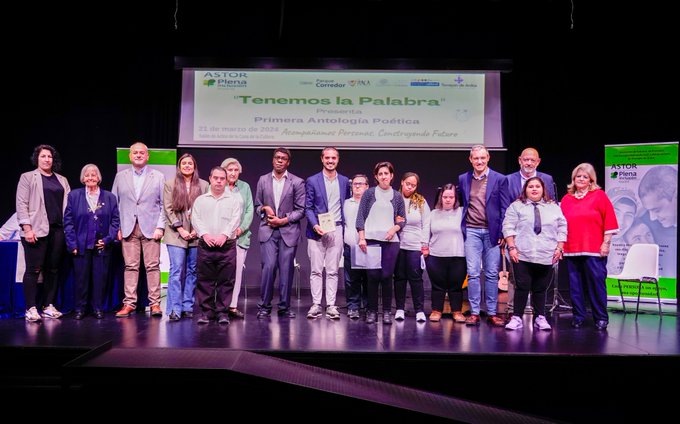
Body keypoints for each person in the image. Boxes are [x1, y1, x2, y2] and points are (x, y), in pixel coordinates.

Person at [503, 177, 567, 331]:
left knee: (540, 287)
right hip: (522, 253)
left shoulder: (553, 207)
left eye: (537, 186)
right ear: (525, 189)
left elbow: (562, 227)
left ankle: (540, 317)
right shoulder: (516, 206)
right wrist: (512, 248)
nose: (534, 189)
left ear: (543, 189)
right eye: (530, 186)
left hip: (546, 253)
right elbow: (508, 227)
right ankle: (517, 317)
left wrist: (559, 248)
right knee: (522, 286)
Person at [16, 144, 71, 322]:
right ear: (37, 158)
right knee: (33, 269)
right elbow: (21, 204)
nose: (47, 159)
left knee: (53, 270)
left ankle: (48, 305)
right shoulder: (27, 177)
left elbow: (68, 206)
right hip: (36, 230)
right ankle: (31, 308)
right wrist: (27, 228)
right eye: (43, 156)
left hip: (58, 230)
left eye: (49, 157)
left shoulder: (62, 180)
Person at [560, 163, 618, 330]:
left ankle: (601, 317)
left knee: (596, 284)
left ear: (591, 179)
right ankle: (578, 316)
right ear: (574, 179)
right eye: (578, 176)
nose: (581, 179)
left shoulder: (599, 196)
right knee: (575, 286)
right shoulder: (566, 199)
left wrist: (606, 243)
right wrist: (560, 246)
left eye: (585, 177)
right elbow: (560, 224)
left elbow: (610, 221)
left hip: (595, 250)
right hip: (572, 249)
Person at [458, 145, 510, 326]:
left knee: (491, 273)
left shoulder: (499, 179)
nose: (479, 161)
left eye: (482, 158)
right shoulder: (463, 179)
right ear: (470, 159)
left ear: (488, 158)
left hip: (492, 232)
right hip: (471, 230)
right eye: (475, 158)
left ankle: (492, 312)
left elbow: (505, 207)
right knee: (472, 273)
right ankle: (474, 312)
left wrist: (503, 231)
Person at [112, 142, 166, 318]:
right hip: (128, 228)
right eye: (135, 152)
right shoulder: (120, 177)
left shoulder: (158, 176)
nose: (138, 155)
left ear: (148, 156)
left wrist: (160, 226)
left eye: (142, 152)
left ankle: (155, 303)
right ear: (129, 156)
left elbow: (164, 205)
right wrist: (117, 227)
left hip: (151, 228)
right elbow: (115, 204)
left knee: (152, 266)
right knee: (130, 266)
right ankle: (129, 304)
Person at [254, 147, 306, 318]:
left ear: (288, 162)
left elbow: (301, 210)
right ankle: (264, 306)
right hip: (268, 231)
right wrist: (264, 209)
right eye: (277, 157)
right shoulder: (263, 180)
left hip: (288, 232)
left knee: (286, 270)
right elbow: (257, 206)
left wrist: (283, 220)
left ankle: (284, 307)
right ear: (273, 160)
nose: (280, 160)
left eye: (283, 158)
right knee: (268, 268)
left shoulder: (297, 182)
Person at [64, 164, 120, 319]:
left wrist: (108, 239)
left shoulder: (109, 197)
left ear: (98, 178)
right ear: (83, 178)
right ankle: (80, 309)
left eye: (93, 175)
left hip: (102, 246)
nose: (90, 178)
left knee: (99, 279)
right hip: (80, 246)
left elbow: (115, 221)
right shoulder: (74, 196)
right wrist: (72, 243)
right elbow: (68, 222)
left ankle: (98, 308)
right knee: (81, 279)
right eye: (87, 175)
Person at [505, 147, 556, 317]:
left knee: (539, 281)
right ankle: (514, 312)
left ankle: (538, 314)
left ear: (538, 162)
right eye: (525, 159)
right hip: (517, 238)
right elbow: (503, 208)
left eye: (532, 160)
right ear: (520, 160)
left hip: (542, 242)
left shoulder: (547, 179)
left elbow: (552, 208)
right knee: (516, 277)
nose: (528, 162)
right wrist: (507, 237)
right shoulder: (508, 179)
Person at [356, 161, 406, 325]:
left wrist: (394, 228)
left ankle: (386, 312)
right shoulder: (369, 194)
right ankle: (371, 311)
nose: (384, 176)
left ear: (392, 176)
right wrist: (362, 237)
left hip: (391, 242)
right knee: (372, 276)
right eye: (380, 174)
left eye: (387, 173)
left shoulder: (397, 196)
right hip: (371, 240)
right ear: (376, 177)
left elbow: (402, 219)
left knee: (386, 276)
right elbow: (360, 217)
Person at [191, 166, 242, 324]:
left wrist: (224, 234)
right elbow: (196, 218)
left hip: (226, 246)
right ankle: (206, 313)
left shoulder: (233, 200)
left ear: (226, 181)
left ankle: (222, 313)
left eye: (222, 179)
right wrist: (204, 233)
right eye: (216, 178)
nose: (219, 181)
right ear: (210, 178)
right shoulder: (201, 200)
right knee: (205, 280)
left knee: (226, 281)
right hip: (206, 245)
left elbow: (235, 219)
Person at [305, 147, 350, 320]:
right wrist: (315, 225)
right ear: (322, 159)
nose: (330, 161)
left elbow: (346, 204)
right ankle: (316, 304)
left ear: (337, 160)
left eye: (333, 158)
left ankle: (331, 305)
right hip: (317, 230)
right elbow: (308, 207)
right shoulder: (312, 180)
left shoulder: (345, 181)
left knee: (332, 270)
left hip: (337, 228)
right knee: (316, 270)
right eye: (327, 158)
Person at [163, 154, 208, 321]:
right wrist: (180, 229)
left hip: (196, 234)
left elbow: (206, 209)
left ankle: (187, 306)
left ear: (194, 166)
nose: (187, 166)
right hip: (176, 234)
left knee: (192, 271)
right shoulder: (170, 184)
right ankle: (174, 309)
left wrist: (197, 230)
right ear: (179, 166)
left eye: (190, 163)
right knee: (176, 271)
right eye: (184, 163)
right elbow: (168, 209)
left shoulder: (204, 185)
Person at [423, 184, 466, 323]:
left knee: (456, 285)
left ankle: (457, 311)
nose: (448, 199)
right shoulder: (433, 213)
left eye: (451, 197)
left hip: (458, 255)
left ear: (456, 198)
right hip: (436, 255)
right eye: (445, 197)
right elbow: (425, 231)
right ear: (441, 197)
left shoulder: (462, 212)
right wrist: (424, 246)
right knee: (438, 285)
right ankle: (436, 310)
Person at [394, 172, 430, 322]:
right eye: (408, 183)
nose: (410, 187)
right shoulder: (394, 199)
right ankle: (400, 309)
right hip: (397, 245)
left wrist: (425, 244)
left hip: (415, 246)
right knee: (399, 278)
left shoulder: (421, 201)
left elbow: (426, 223)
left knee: (416, 278)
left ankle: (419, 310)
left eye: (413, 185)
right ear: (402, 182)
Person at [221, 157, 254, 319]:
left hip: (239, 238)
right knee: (220, 274)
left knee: (236, 274)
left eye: (235, 170)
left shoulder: (245, 187)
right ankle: (219, 306)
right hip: (220, 239)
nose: (232, 173)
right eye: (229, 170)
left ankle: (232, 307)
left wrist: (241, 229)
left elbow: (249, 210)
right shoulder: (218, 186)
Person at [638, 166, 677, 278]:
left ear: (675, 197)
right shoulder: (645, 222)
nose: (652, 218)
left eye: (657, 210)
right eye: (648, 211)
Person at [343, 174, 370, 319]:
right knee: (351, 279)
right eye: (355, 184)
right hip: (350, 246)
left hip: (367, 247)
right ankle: (353, 307)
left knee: (368, 279)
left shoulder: (372, 203)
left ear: (367, 186)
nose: (357, 186)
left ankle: (366, 307)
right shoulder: (346, 203)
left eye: (361, 183)